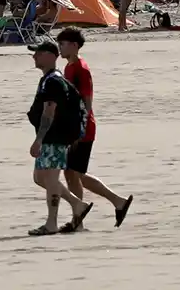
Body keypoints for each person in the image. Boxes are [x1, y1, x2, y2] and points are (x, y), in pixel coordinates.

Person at [56, 29, 134, 232]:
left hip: (82, 128)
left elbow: (87, 102)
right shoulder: (69, 67)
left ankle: (79, 221)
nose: (60, 48)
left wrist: (77, 130)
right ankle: (117, 202)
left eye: (63, 44)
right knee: (73, 174)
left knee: (73, 174)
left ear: (74, 45)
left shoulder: (81, 69)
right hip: (74, 127)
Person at [25, 41, 93, 236]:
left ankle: (51, 223)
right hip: (52, 137)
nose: (34, 57)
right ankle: (77, 204)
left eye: (38, 53)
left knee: (51, 178)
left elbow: (49, 112)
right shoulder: (49, 79)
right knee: (40, 177)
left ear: (50, 55)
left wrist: (39, 139)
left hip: (55, 137)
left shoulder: (54, 81)